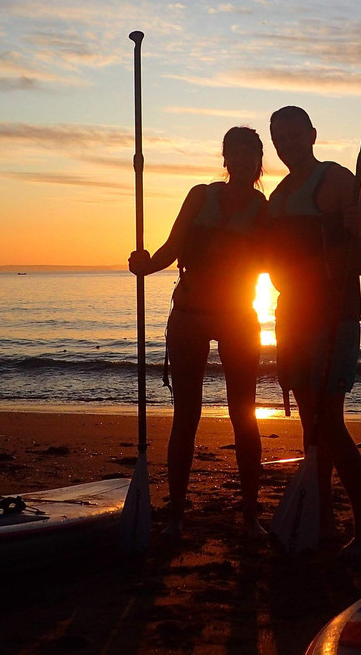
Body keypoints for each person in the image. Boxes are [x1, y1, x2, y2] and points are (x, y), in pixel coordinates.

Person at [129, 126, 268, 540]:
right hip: (189, 312)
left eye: (251, 156)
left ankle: (249, 515)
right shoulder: (200, 196)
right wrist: (145, 265)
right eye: (236, 155)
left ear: (258, 162)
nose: (242, 162)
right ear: (224, 159)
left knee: (244, 414)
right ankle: (175, 516)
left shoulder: (263, 207)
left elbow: (272, 263)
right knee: (186, 415)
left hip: (239, 315)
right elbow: (171, 249)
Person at [267, 105, 361, 559]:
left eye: (294, 137)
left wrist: (359, 229)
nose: (287, 146)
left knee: (329, 422)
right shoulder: (278, 195)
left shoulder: (335, 179)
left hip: (334, 312)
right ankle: (323, 521)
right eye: (280, 139)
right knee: (308, 423)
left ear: (312, 135)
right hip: (291, 312)